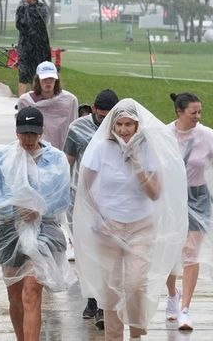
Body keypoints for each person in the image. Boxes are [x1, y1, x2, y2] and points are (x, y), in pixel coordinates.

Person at [73, 98, 187, 341]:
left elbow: (155, 193)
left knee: (135, 282)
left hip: (141, 227)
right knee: (111, 290)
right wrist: (98, 217)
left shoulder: (147, 149)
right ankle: (114, 337)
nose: (124, 130)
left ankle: (136, 332)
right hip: (109, 228)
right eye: (120, 124)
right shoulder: (102, 149)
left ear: (137, 126)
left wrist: (136, 162)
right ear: (112, 126)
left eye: (129, 124)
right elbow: (84, 187)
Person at [0, 106, 75, 341]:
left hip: (45, 230)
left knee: (31, 292)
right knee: (15, 295)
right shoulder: (2, 156)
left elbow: (63, 198)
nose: (29, 139)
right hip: (9, 229)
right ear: (16, 132)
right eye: (24, 133)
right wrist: (15, 208)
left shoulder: (56, 159)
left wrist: (38, 209)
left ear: (41, 132)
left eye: (33, 133)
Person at [164, 92, 213, 331]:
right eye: (193, 112)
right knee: (167, 252)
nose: (198, 116)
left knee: (190, 251)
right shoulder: (164, 135)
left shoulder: (207, 136)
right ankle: (172, 295)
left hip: (198, 197)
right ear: (179, 112)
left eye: (200, 112)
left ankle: (185, 309)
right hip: (172, 199)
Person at [62, 89, 119, 329]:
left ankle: (106, 304)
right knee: (86, 252)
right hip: (82, 200)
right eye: (101, 115)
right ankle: (92, 298)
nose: (104, 120)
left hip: (112, 202)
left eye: (109, 116)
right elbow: (68, 162)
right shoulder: (77, 128)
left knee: (107, 253)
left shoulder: (123, 127)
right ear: (94, 108)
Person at [17, 61, 77, 150]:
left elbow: (73, 129)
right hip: (34, 149)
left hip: (60, 150)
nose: (48, 82)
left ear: (56, 80)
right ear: (38, 80)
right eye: (44, 79)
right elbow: (21, 129)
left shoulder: (69, 100)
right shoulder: (25, 101)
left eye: (51, 78)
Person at [15, 0, 51, 96]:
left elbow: (41, 24)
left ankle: (34, 98)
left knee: (35, 74)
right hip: (24, 45)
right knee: (23, 73)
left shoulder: (42, 8)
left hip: (38, 46)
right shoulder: (21, 8)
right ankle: (21, 100)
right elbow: (20, 24)